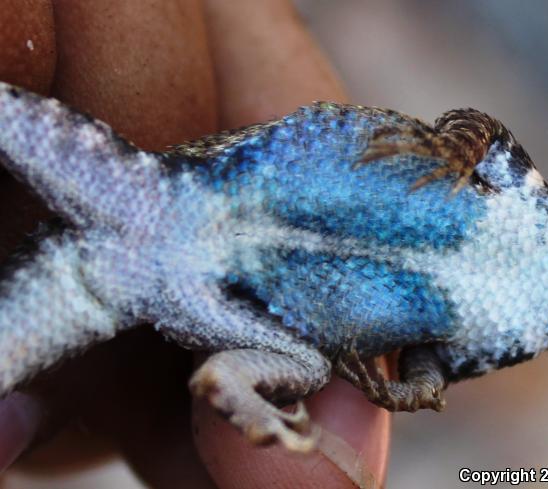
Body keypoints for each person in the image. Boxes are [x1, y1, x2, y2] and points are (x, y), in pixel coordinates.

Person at [0, 1, 390, 487]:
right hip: (153, 196)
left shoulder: (306, 359)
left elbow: (224, 378)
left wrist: (262, 420)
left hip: (119, 271)